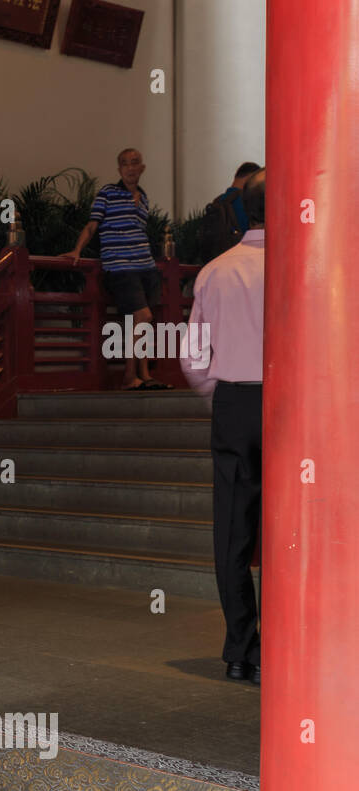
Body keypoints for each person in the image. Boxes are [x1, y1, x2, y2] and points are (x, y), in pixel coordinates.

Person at [182, 169, 266, 684]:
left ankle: (240, 650)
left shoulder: (215, 271)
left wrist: (224, 391)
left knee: (234, 529)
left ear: (242, 210)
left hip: (235, 406)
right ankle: (286, 643)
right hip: (292, 407)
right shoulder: (305, 265)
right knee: (289, 531)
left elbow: (193, 357)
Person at [62, 148, 171, 390]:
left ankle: (143, 375)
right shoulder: (107, 193)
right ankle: (129, 375)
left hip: (146, 266)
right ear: (119, 169)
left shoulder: (143, 198)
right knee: (144, 317)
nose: (130, 168)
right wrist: (77, 249)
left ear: (142, 167)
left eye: (134, 163)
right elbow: (92, 226)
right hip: (120, 266)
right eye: (124, 164)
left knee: (141, 322)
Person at [198, 161, 262, 265]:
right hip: (242, 263)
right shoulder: (246, 202)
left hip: (216, 264)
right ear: (251, 180)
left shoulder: (218, 202)